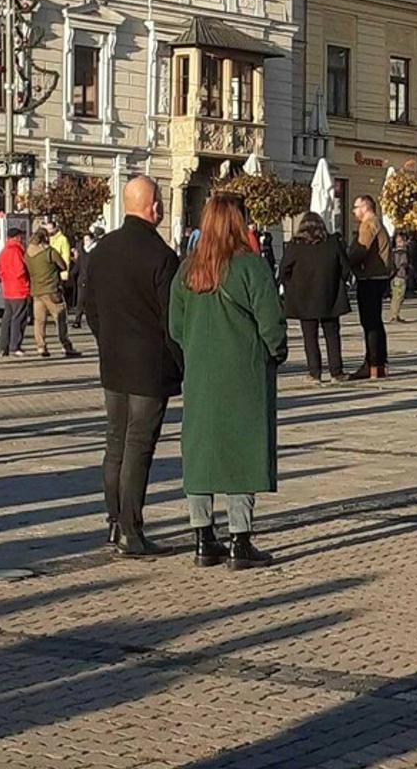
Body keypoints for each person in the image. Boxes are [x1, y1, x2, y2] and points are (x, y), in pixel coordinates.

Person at [168, 194, 286, 568]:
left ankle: (202, 536)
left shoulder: (188, 270)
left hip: (202, 374)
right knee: (244, 450)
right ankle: (240, 540)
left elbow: (174, 327)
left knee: (201, 449)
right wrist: (275, 352)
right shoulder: (251, 267)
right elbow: (272, 323)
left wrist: (196, 349)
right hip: (244, 372)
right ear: (239, 222)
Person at [77, 175, 183, 557]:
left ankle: (113, 523)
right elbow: (174, 319)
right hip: (149, 366)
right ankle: (131, 531)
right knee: (139, 446)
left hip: (114, 361)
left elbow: (87, 306)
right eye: (161, 203)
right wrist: (179, 361)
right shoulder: (162, 256)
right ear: (153, 206)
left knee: (115, 444)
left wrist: (106, 338)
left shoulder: (102, 249)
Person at [278, 211, 350, 383]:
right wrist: (339, 281)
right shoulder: (332, 243)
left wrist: (291, 287)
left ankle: (314, 373)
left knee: (309, 336)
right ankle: (336, 372)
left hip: (304, 296)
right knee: (332, 334)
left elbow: (283, 270)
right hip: (330, 294)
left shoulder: (295, 246)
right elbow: (345, 268)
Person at [347, 197, 393, 380]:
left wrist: (347, 261)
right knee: (376, 322)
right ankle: (379, 363)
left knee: (370, 323)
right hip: (379, 276)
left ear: (365, 208)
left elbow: (361, 249)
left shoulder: (368, 225)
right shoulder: (378, 223)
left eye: (356, 207)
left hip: (370, 277)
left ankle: (372, 363)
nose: (353, 211)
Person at [27, 224, 79, 358]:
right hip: (52, 290)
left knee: (39, 320)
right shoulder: (49, 252)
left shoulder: (27, 253)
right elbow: (63, 265)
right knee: (60, 318)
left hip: (36, 291)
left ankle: (41, 346)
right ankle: (66, 345)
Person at [0, 223, 32, 358]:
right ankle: (14, 346)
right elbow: (20, 270)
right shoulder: (17, 250)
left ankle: (3, 346)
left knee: (7, 318)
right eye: (21, 237)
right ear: (16, 238)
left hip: (8, 290)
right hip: (19, 289)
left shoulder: (4, 251)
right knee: (19, 318)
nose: (22, 239)